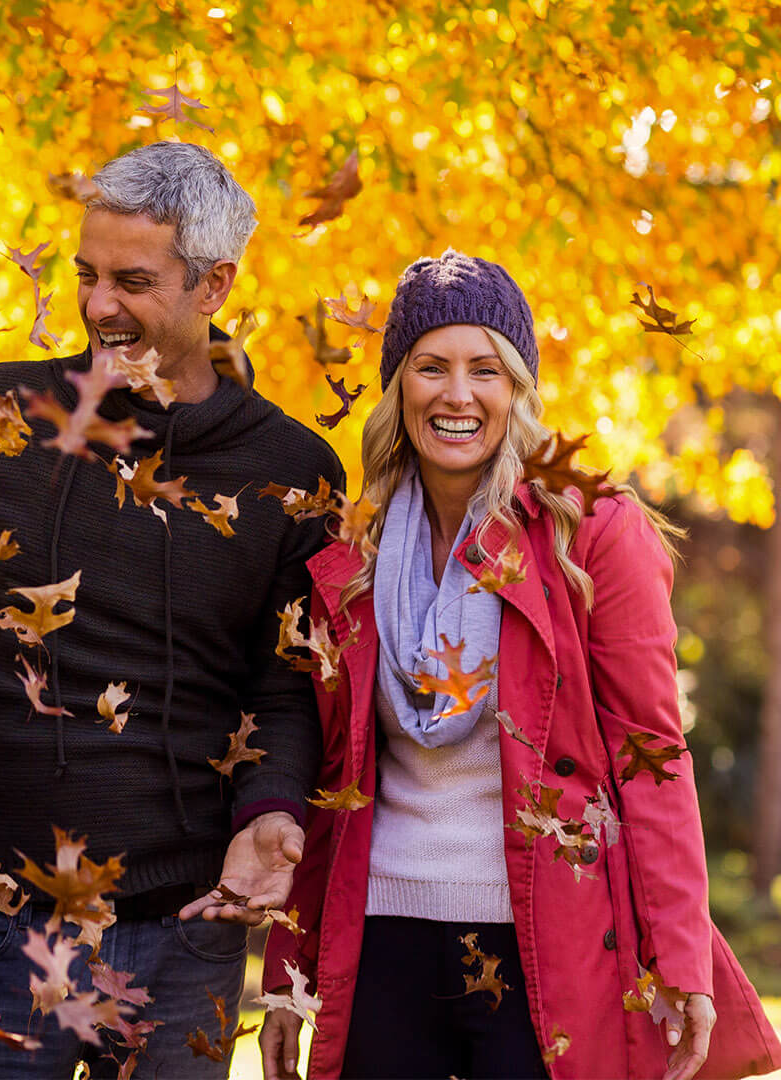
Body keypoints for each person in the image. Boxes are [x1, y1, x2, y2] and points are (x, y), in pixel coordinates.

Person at [0, 140, 347, 1076]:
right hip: (2, 921)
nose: (97, 306)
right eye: (86, 274)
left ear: (214, 286)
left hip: (184, 930)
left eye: (133, 281)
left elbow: (282, 687)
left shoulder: (292, 473)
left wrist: (269, 811)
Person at [258, 251, 781, 1080]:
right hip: (382, 932)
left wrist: (681, 960)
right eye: (431, 367)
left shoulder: (592, 535)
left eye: (485, 370)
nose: (457, 395)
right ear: (400, 388)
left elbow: (653, 757)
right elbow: (332, 776)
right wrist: (290, 966)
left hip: (550, 936)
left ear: (521, 390)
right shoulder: (350, 554)